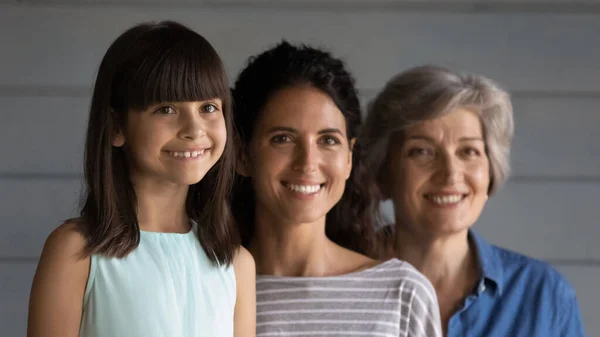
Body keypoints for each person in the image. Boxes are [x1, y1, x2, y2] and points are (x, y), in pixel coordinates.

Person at [27, 20, 255, 337]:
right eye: (165, 109)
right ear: (116, 127)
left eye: (207, 107)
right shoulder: (77, 252)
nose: (194, 129)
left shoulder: (235, 263)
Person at [231, 41, 442, 337]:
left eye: (328, 140)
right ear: (242, 156)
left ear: (349, 160)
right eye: (283, 139)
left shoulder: (402, 294)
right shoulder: (211, 289)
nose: (308, 163)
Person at [360, 65, 586, 336]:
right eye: (422, 151)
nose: (450, 174)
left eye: (468, 151)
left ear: (491, 171)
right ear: (383, 172)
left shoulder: (544, 295)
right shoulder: (337, 284)